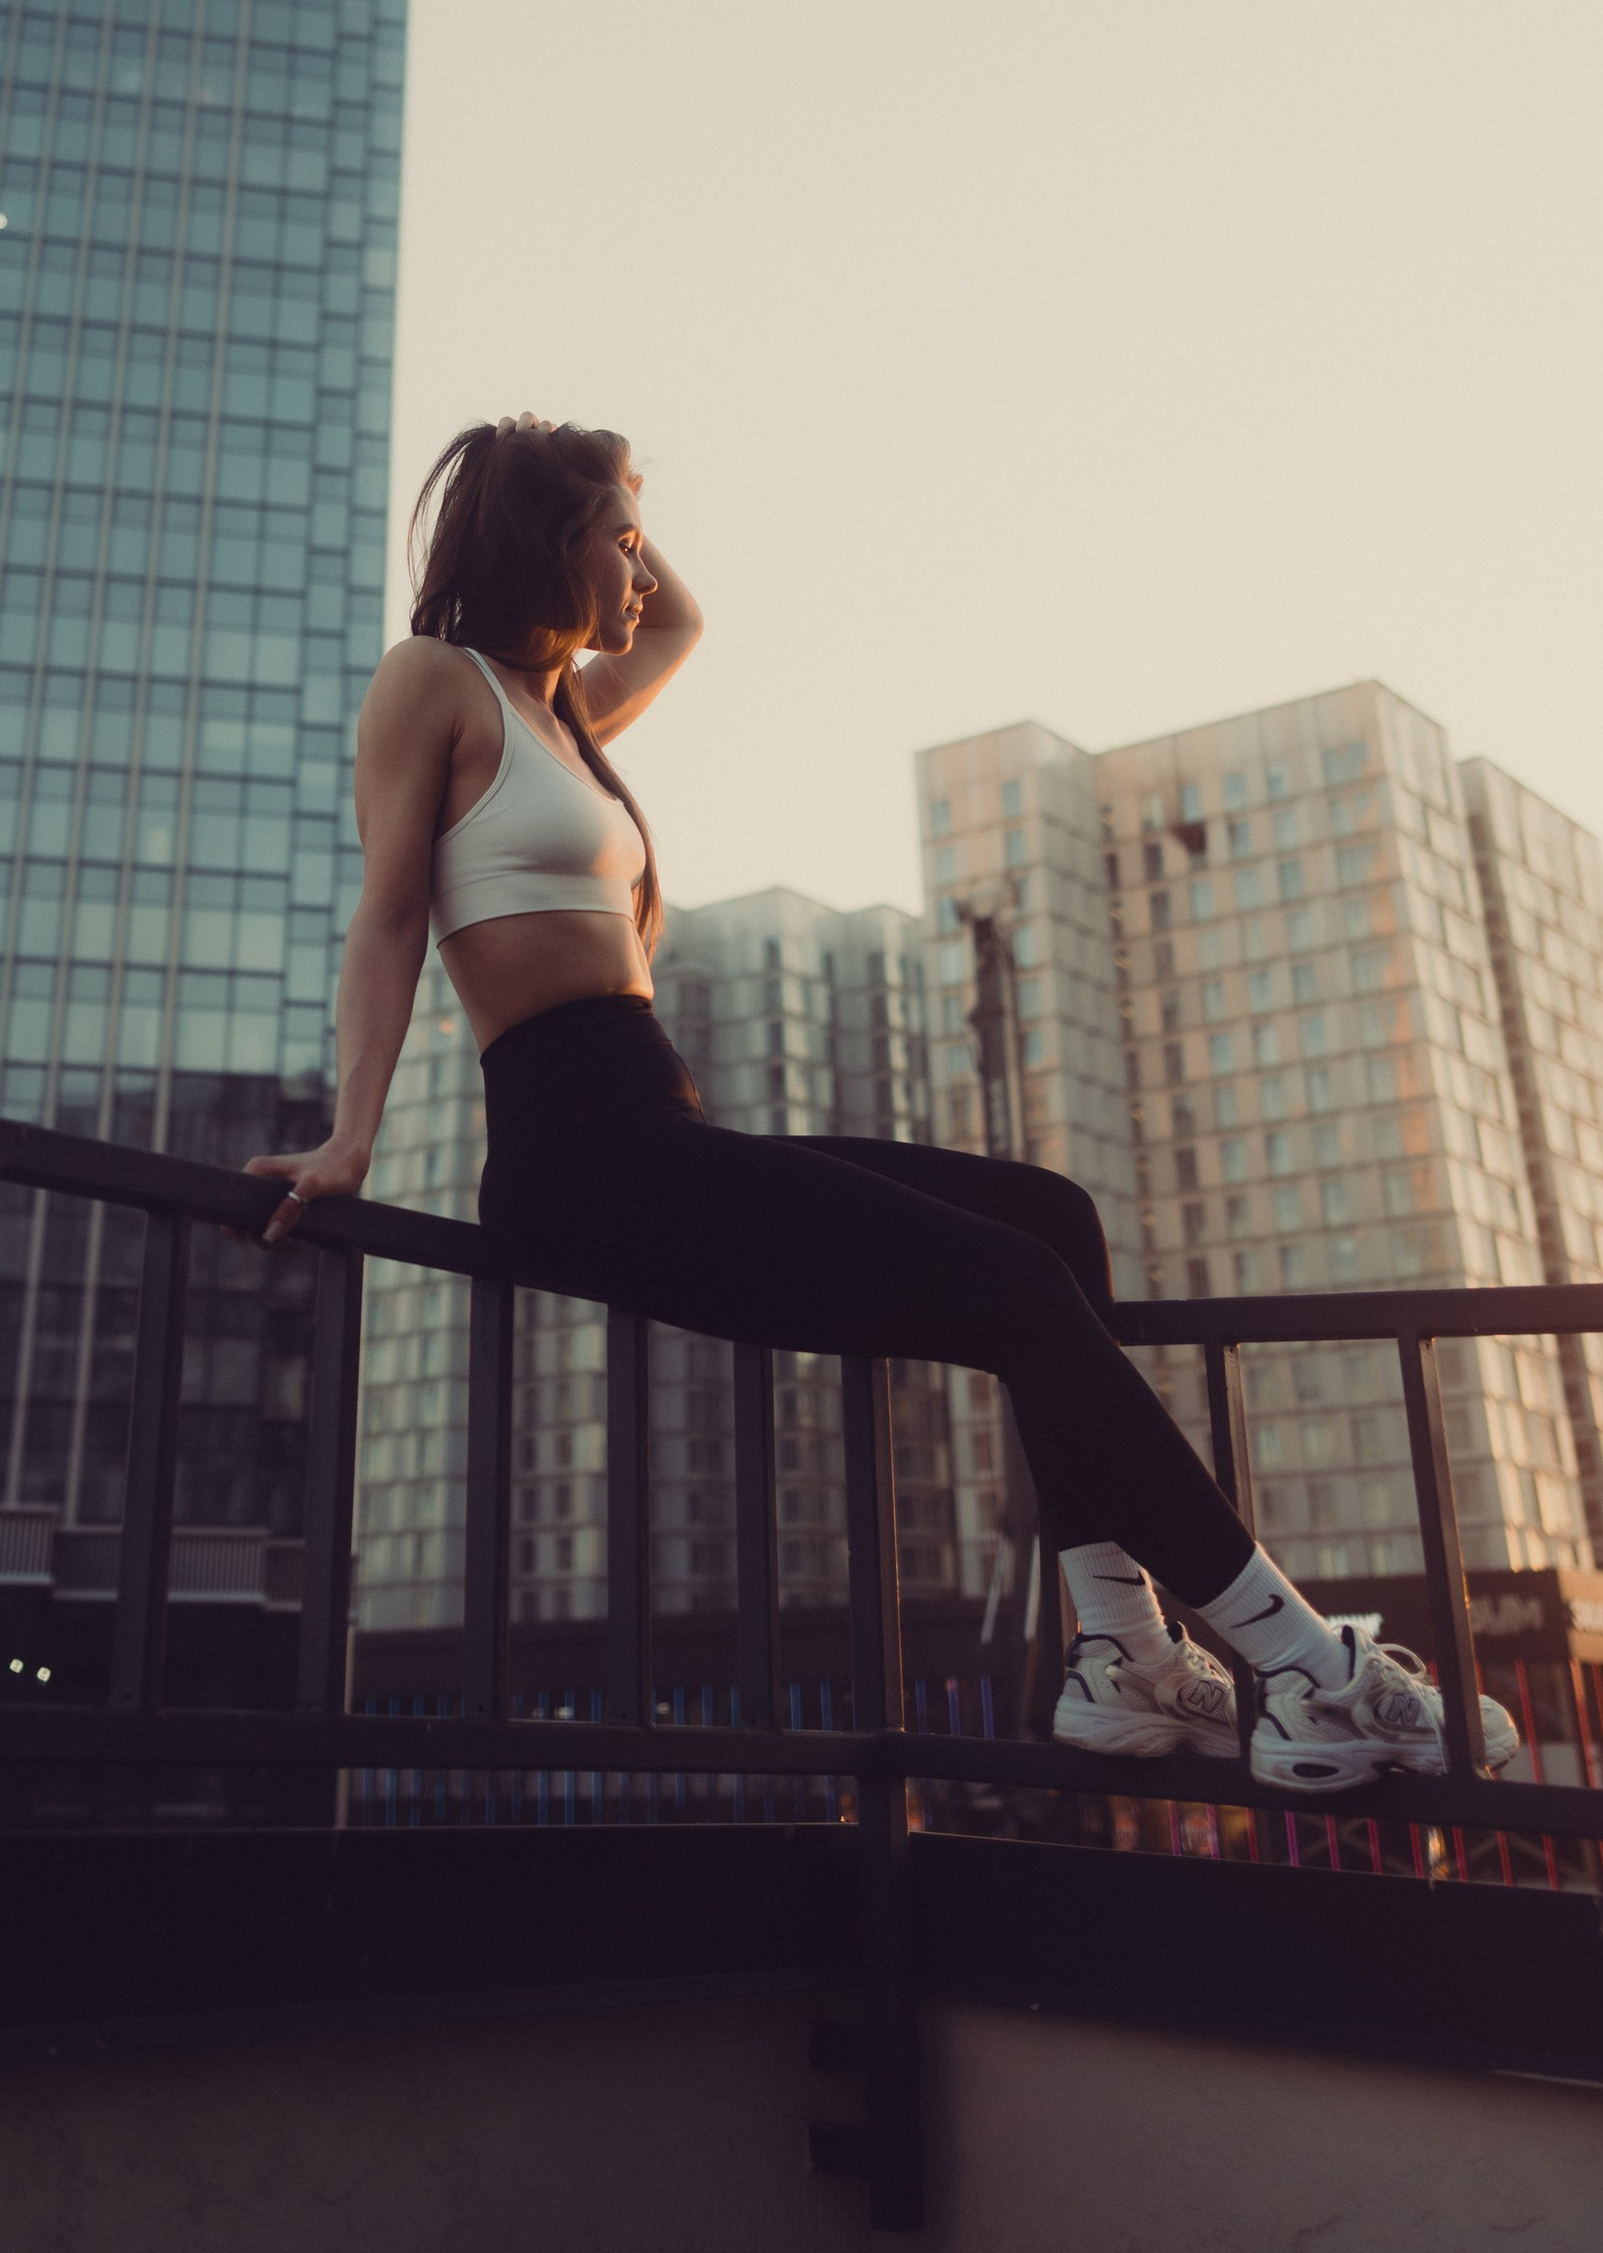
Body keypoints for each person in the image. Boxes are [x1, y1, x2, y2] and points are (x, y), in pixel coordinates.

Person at [249, 417, 1516, 1799]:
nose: (640, 571)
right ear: (546, 544)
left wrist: (616, 490)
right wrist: (352, 1137)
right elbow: (387, 918)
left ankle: (1125, 1653)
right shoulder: (434, 683)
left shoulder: (564, 715)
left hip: (659, 1125)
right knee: (1015, 1286)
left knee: (1052, 1220)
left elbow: (678, 621)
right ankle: (1304, 1664)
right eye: (617, 541)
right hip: (580, 1156)